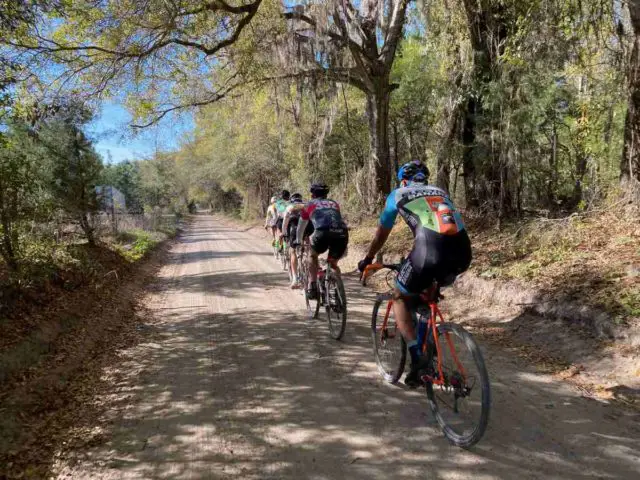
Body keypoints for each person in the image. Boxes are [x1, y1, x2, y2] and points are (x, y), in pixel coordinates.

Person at [357, 160, 471, 388]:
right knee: (426, 292)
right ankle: (428, 345)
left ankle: (419, 358)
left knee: (399, 296)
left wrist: (368, 259)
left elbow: (382, 232)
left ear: (403, 180)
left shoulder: (397, 194)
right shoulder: (440, 191)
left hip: (428, 252)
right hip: (462, 254)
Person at [297, 182, 348, 300]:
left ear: (312, 195)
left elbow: (301, 226)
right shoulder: (334, 203)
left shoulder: (309, 204)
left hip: (322, 233)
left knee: (312, 256)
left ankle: (313, 285)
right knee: (333, 263)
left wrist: (298, 240)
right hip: (342, 233)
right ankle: (338, 295)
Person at [282, 193, 308, 288]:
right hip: (307, 227)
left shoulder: (289, 206)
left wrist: (284, 233)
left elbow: (285, 223)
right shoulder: (306, 205)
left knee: (292, 252)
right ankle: (308, 257)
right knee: (308, 247)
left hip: (294, 228)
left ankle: (295, 279)